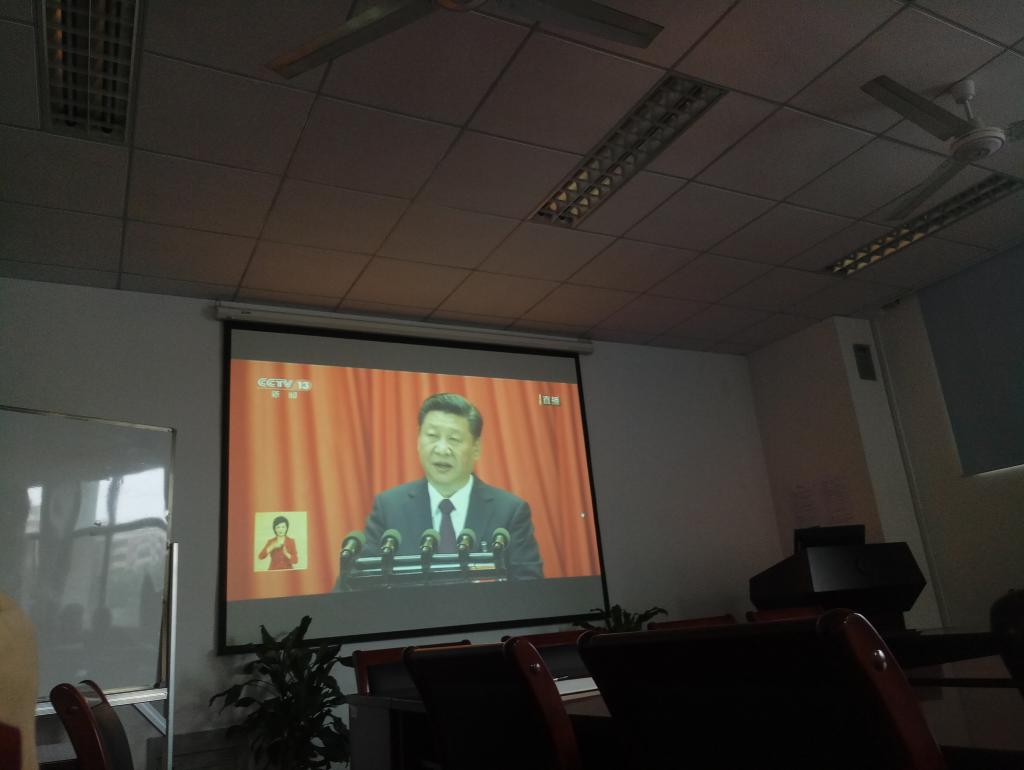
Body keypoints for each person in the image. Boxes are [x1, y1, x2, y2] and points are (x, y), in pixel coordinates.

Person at [359, 393, 542, 581]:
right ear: (418, 440)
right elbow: (363, 581)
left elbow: (529, 586)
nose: (441, 449)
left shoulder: (509, 512)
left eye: (454, 439)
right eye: (432, 436)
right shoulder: (389, 508)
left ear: (476, 447)